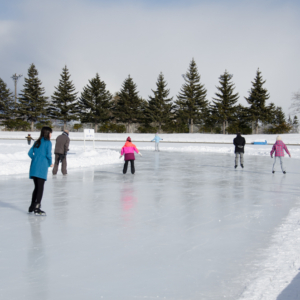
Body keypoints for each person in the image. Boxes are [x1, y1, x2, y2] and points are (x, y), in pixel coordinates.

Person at [28, 127, 53, 215]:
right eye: (50, 133)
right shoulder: (48, 142)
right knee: (40, 188)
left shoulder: (37, 142)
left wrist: (35, 159)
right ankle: (37, 207)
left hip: (34, 166)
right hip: (42, 167)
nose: (51, 135)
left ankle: (32, 206)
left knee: (36, 187)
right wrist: (50, 163)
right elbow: (49, 154)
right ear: (47, 133)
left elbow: (30, 153)